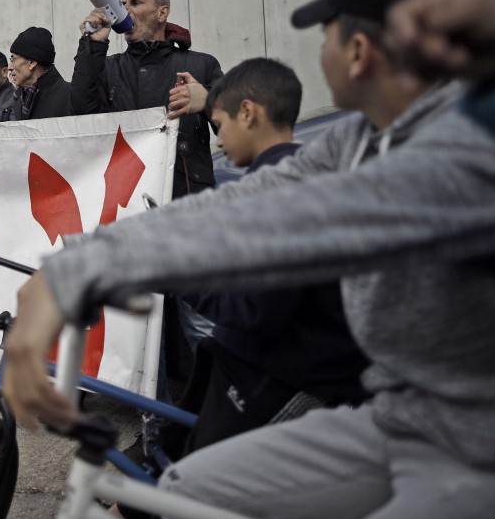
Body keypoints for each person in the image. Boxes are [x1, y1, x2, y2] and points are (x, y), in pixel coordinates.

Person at [1, 0, 495, 519]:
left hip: (469, 453)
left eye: (327, 29)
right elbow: (250, 200)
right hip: (398, 422)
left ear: (361, 50)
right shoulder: (364, 137)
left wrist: (74, 273)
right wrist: (77, 266)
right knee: (184, 489)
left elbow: (290, 214)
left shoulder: (464, 145)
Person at [143, 59, 369, 476]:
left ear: (247, 113)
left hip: (283, 382)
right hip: (284, 371)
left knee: (179, 486)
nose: (218, 138)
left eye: (219, 123)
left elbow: (256, 312)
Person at [72, 0, 223, 198]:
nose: (125, 10)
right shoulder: (108, 67)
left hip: (186, 199)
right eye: (122, 5)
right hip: (128, 198)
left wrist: (209, 101)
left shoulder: (202, 65)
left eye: (135, 3)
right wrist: (92, 45)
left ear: (162, 13)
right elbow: (81, 114)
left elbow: (236, 128)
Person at [8, 27, 72, 120]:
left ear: (32, 63)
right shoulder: (16, 99)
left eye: (13, 59)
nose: (10, 66)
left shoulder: (69, 96)